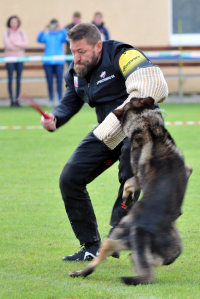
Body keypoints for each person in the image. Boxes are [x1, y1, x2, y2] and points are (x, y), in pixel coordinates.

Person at [41, 23, 168, 261]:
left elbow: (151, 83)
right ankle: (90, 246)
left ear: (98, 46)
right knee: (70, 179)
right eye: (73, 51)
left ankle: (119, 233)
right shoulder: (77, 70)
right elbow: (71, 100)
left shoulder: (122, 54)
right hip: (108, 132)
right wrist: (55, 117)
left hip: (140, 125)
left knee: (129, 174)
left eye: (82, 52)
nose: (76, 58)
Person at [37, 19, 67, 106]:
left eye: (55, 26)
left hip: (59, 62)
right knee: (49, 81)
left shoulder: (61, 34)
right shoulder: (46, 35)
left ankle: (59, 99)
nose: (53, 28)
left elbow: (68, 38)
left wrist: (62, 29)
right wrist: (44, 29)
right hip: (47, 62)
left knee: (59, 81)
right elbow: (39, 39)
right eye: (52, 26)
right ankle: (51, 99)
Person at [3, 15, 28, 107]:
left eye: (15, 22)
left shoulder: (21, 32)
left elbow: (25, 44)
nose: (14, 23)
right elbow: (8, 45)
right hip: (10, 58)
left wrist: (15, 43)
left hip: (20, 58)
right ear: (9, 23)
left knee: (18, 79)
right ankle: (11, 100)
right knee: (10, 79)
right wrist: (19, 46)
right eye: (12, 22)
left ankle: (17, 99)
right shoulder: (6, 33)